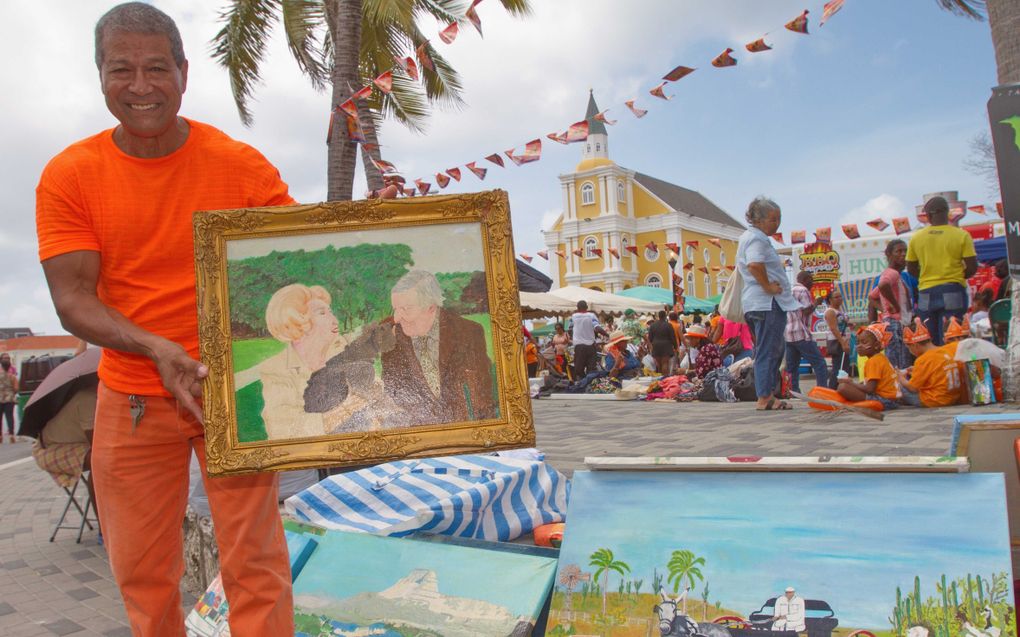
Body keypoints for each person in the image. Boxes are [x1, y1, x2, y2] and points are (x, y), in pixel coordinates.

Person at [35, 4, 295, 633]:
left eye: (157, 67)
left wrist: (372, 236)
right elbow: (73, 300)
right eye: (121, 68)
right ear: (100, 76)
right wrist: (156, 347)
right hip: (130, 394)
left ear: (184, 72)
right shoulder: (69, 176)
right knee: (143, 572)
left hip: (234, 393)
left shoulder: (241, 166)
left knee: (254, 562)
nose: (141, 85)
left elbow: (293, 263)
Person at [375, 270, 496, 425]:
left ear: (431, 307)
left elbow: (482, 398)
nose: (397, 318)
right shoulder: (392, 335)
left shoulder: (468, 333)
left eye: (406, 309)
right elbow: (393, 393)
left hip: (460, 431)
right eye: (395, 309)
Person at [258, 284, 356, 440]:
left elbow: (374, 391)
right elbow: (282, 430)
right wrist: (341, 413)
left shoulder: (342, 348)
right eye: (322, 313)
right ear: (299, 322)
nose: (335, 320)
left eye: (330, 312)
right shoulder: (276, 369)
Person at [737, 197, 800, 410]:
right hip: (766, 303)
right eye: (773, 219)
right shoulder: (757, 239)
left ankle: (768, 394)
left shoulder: (752, 237)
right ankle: (764, 396)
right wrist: (768, 286)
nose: (777, 223)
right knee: (769, 349)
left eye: (779, 219)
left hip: (759, 303)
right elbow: (755, 264)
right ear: (759, 220)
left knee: (772, 348)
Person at [906, 195, 978, 345]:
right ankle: (954, 365)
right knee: (953, 335)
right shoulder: (961, 235)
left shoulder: (917, 238)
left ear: (928, 216)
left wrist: (926, 276)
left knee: (929, 338)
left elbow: (911, 267)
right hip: (953, 289)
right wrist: (957, 275)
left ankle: (937, 365)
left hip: (926, 292)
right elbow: (972, 267)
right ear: (947, 212)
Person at [897, 319, 963, 407]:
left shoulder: (923, 360)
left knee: (898, 388)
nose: (910, 351)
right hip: (952, 398)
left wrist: (900, 378)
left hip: (934, 400)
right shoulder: (943, 350)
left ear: (915, 345)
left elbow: (912, 388)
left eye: (909, 348)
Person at [869, 239, 913, 369]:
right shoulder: (891, 273)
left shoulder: (897, 275)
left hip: (895, 323)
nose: (903, 254)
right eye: (898, 251)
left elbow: (872, 296)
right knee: (900, 365)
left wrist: (885, 309)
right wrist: (894, 305)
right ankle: (897, 389)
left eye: (905, 251)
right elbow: (883, 286)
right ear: (889, 254)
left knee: (898, 363)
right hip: (895, 325)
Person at [836, 323, 899, 410]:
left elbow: (870, 389)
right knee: (847, 387)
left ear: (876, 345)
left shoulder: (874, 361)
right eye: (858, 343)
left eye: (864, 342)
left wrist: (850, 383)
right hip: (891, 400)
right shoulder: (879, 358)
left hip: (885, 400)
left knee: (842, 387)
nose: (859, 346)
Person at [784, 271, 829, 393]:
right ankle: (822, 391)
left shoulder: (789, 291)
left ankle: (793, 391)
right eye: (811, 280)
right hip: (800, 333)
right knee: (819, 363)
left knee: (792, 367)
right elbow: (806, 311)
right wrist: (817, 303)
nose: (812, 283)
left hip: (788, 334)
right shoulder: (803, 291)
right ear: (805, 279)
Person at [571, 300, 608, 380]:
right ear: (587, 307)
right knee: (591, 368)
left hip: (579, 346)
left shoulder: (574, 316)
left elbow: (570, 329)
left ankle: (582, 383)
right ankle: (589, 383)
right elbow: (597, 328)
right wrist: (607, 335)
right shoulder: (591, 316)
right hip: (590, 346)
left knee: (579, 368)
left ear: (577, 308)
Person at [823, 290, 852, 388]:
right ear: (830, 300)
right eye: (836, 297)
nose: (840, 299)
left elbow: (840, 324)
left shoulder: (839, 311)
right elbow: (833, 328)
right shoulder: (830, 311)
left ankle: (842, 387)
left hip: (843, 340)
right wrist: (842, 343)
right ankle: (833, 388)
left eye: (840, 296)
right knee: (839, 366)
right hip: (837, 341)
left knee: (844, 365)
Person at [648, 310, 678, 375]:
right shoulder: (668, 325)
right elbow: (672, 337)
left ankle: (659, 378)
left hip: (656, 346)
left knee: (659, 364)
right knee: (665, 363)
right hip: (666, 346)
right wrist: (675, 346)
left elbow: (650, 338)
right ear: (665, 316)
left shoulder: (652, 325)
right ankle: (665, 379)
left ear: (659, 316)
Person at [0, 353, 18, 443]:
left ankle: (0, 436)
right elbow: (16, 388)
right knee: (10, 417)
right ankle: (11, 434)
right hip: (10, 399)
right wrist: (12, 393)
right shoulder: (12, 377)